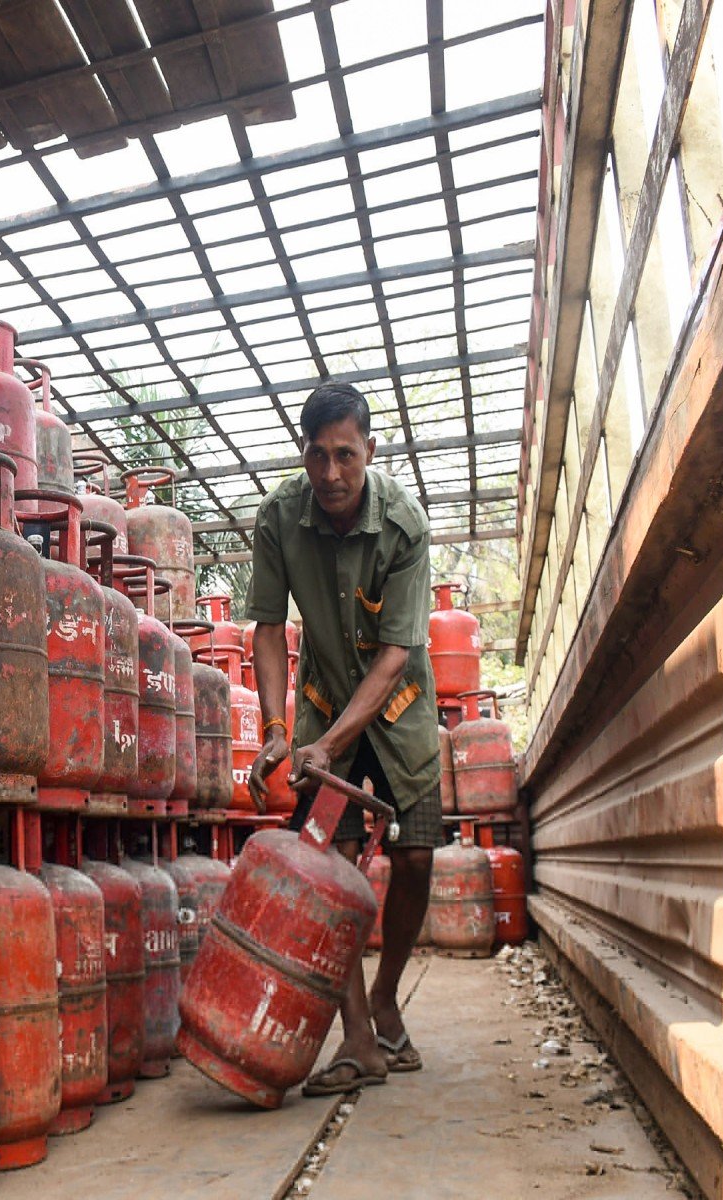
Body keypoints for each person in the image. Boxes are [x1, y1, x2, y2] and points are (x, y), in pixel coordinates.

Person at [245, 381, 441, 1095]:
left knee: (417, 854)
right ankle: (359, 1039)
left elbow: (395, 655)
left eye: (346, 456)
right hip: (325, 705)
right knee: (332, 864)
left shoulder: (404, 524)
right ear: (304, 451)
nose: (330, 475)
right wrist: (276, 731)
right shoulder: (279, 518)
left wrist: (329, 749)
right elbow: (267, 626)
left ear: (370, 450)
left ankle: (386, 999)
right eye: (318, 456)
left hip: (401, 706)